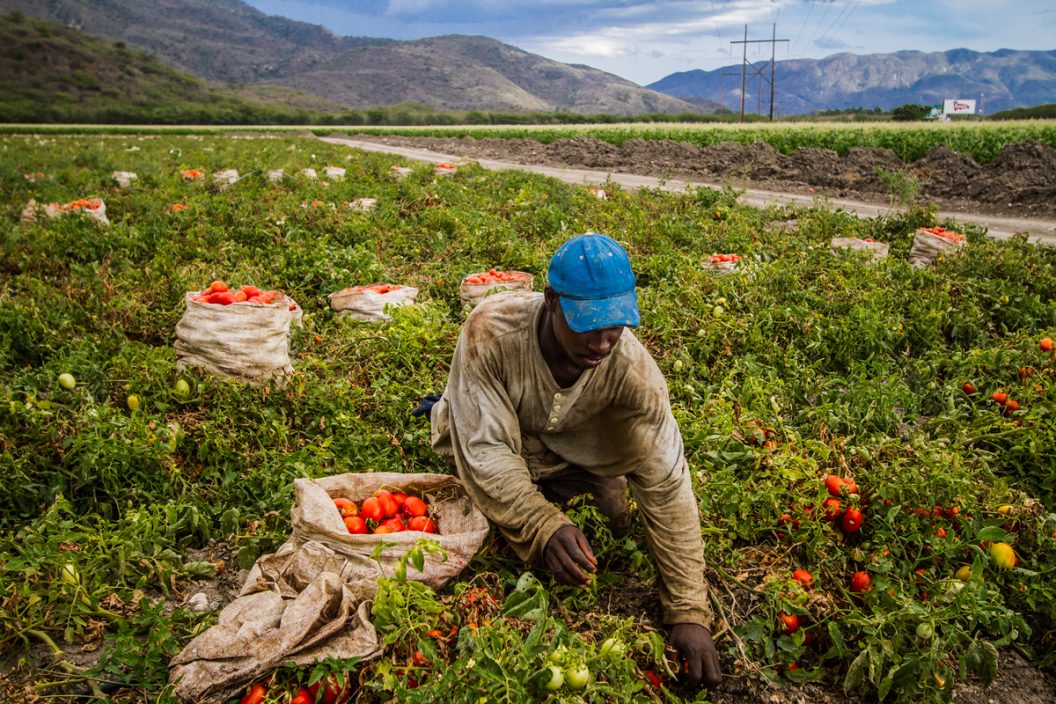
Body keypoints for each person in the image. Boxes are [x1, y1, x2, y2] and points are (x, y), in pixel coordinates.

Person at [415, 233, 722, 690]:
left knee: (614, 518)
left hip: (575, 450)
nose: (601, 344)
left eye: (614, 326)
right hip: (500, 431)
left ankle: (558, 481)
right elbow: (488, 451)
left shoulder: (634, 375)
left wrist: (689, 611)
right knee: (483, 504)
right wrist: (543, 524)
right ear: (552, 300)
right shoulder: (493, 333)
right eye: (588, 325)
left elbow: (666, 484)